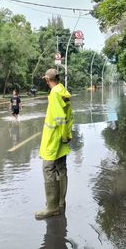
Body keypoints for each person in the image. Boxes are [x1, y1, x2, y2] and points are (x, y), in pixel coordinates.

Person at [35, 69, 73, 220]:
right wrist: (67, 134)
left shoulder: (54, 94)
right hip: (62, 137)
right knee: (61, 168)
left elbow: (59, 118)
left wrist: (62, 136)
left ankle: (52, 206)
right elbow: (68, 116)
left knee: (48, 168)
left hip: (54, 139)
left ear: (47, 80)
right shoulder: (63, 90)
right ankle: (60, 202)